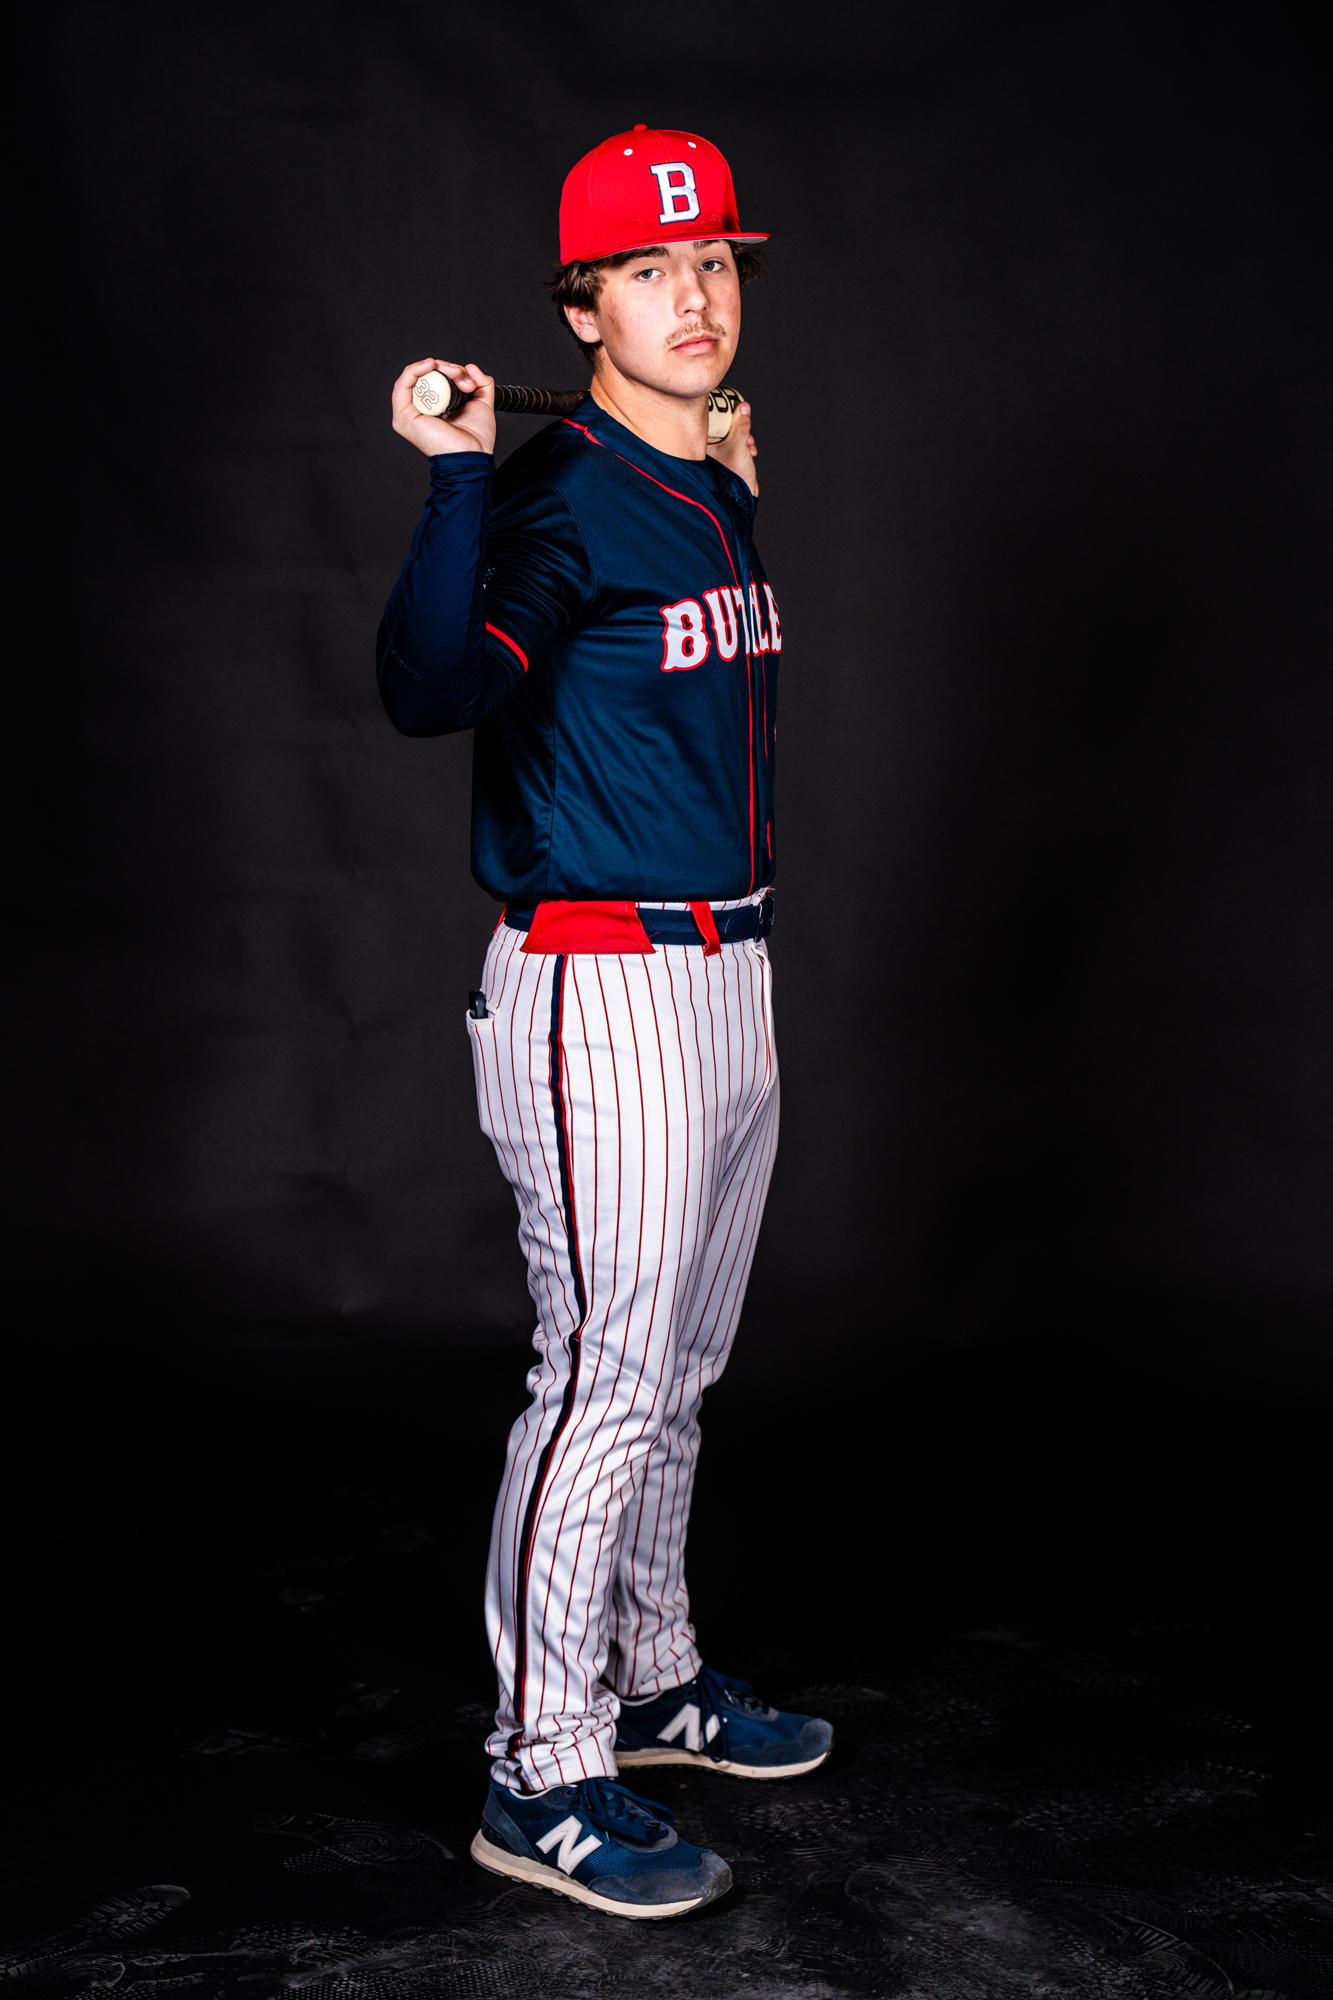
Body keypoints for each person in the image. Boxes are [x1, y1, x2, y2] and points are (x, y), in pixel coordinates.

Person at [377, 124, 830, 1921]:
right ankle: (537, 1765)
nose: (692, 293)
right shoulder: (557, 495)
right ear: (583, 307)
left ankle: (649, 1680)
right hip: (602, 981)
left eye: (712, 259)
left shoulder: (702, 475)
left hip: (728, 970)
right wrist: (454, 480)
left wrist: (724, 486)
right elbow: (429, 691)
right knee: (607, 1377)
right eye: (648, 269)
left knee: (681, 1372)